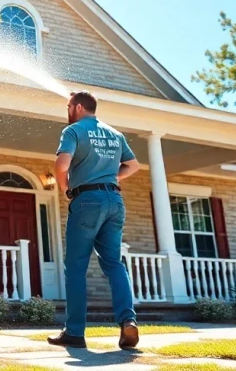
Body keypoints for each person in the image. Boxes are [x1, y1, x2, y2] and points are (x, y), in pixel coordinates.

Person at [48, 90, 141, 350]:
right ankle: (128, 320)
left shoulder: (74, 131)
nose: (67, 110)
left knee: (76, 267)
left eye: (68, 106)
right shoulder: (115, 134)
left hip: (87, 201)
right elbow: (133, 166)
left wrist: (66, 186)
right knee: (114, 264)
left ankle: (75, 332)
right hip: (114, 200)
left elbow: (61, 164)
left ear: (78, 107)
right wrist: (109, 177)